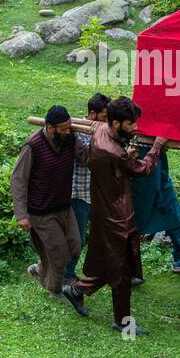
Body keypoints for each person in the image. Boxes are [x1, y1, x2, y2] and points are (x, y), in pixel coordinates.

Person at [61, 97, 167, 337]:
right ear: (117, 122)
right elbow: (142, 169)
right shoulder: (113, 152)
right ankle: (122, 322)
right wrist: (157, 147)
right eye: (131, 124)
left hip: (105, 210)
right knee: (121, 272)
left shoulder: (101, 130)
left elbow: (123, 161)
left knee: (114, 264)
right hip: (117, 217)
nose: (136, 128)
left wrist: (128, 152)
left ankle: (77, 291)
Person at [11, 105, 83, 299]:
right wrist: (21, 215)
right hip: (41, 212)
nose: (68, 131)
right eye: (64, 128)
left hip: (64, 207)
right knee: (59, 253)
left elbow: (86, 157)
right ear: (50, 128)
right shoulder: (33, 145)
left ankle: (40, 268)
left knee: (75, 245)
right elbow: (18, 179)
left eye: (70, 127)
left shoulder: (69, 140)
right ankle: (54, 290)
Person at [129, 138, 180, 281]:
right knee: (136, 220)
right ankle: (129, 269)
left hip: (159, 161)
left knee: (174, 212)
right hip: (141, 158)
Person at [65, 93, 109, 284]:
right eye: (104, 117)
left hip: (95, 193)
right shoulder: (77, 132)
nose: (107, 121)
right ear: (92, 114)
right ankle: (66, 275)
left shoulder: (102, 131)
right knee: (77, 238)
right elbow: (87, 159)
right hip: (78, 193)